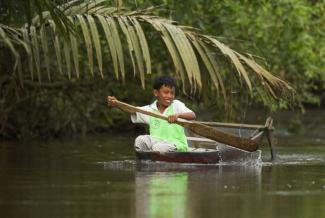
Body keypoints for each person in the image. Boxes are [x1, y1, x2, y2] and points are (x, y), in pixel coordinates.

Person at [107, 75, 196, 153]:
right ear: (156, 93)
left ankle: (154, 160)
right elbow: (133, 110)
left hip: (177, 144)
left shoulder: (176, 105)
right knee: (140, 140)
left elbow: (192, 115)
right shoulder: (150, 109)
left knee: (158, 147)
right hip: (156, 143)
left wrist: (178, 115)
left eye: (172, 93)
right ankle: (145, 163)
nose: (169, 96)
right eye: (166, 92)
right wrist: (117, 104)